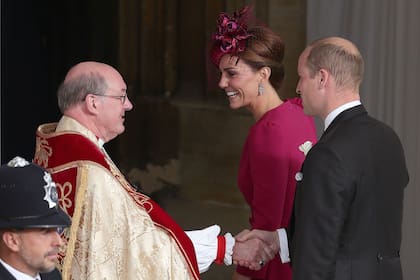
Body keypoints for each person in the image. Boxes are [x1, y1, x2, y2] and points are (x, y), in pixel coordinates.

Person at [33, 61, 234, 279]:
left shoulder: (53, 146)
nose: (128, 105)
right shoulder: (93, 174)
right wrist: (217, 249)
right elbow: (132, 258)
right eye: (121, 97)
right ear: (93, 103)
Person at [241, 36, 410, 280]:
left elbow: (315, 261)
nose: (298, 87)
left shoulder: (327, 154)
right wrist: (278, 240)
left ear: (322, 78)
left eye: (302, 77)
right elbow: (356, 230)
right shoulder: (389, 139)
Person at [209, 6, 317, 280]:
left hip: (276, 266)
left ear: (263, 75)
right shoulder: (298, 113)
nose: (222, 83)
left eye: (231, 73)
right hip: (304, 259)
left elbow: (266, 224)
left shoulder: (268, 132)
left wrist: (242, 274)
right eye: (220, 73)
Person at [0, 156, 71, 280]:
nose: (59, 242)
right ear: (12, 241)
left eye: (57, 229)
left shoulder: (51, 276)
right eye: (45, 231)